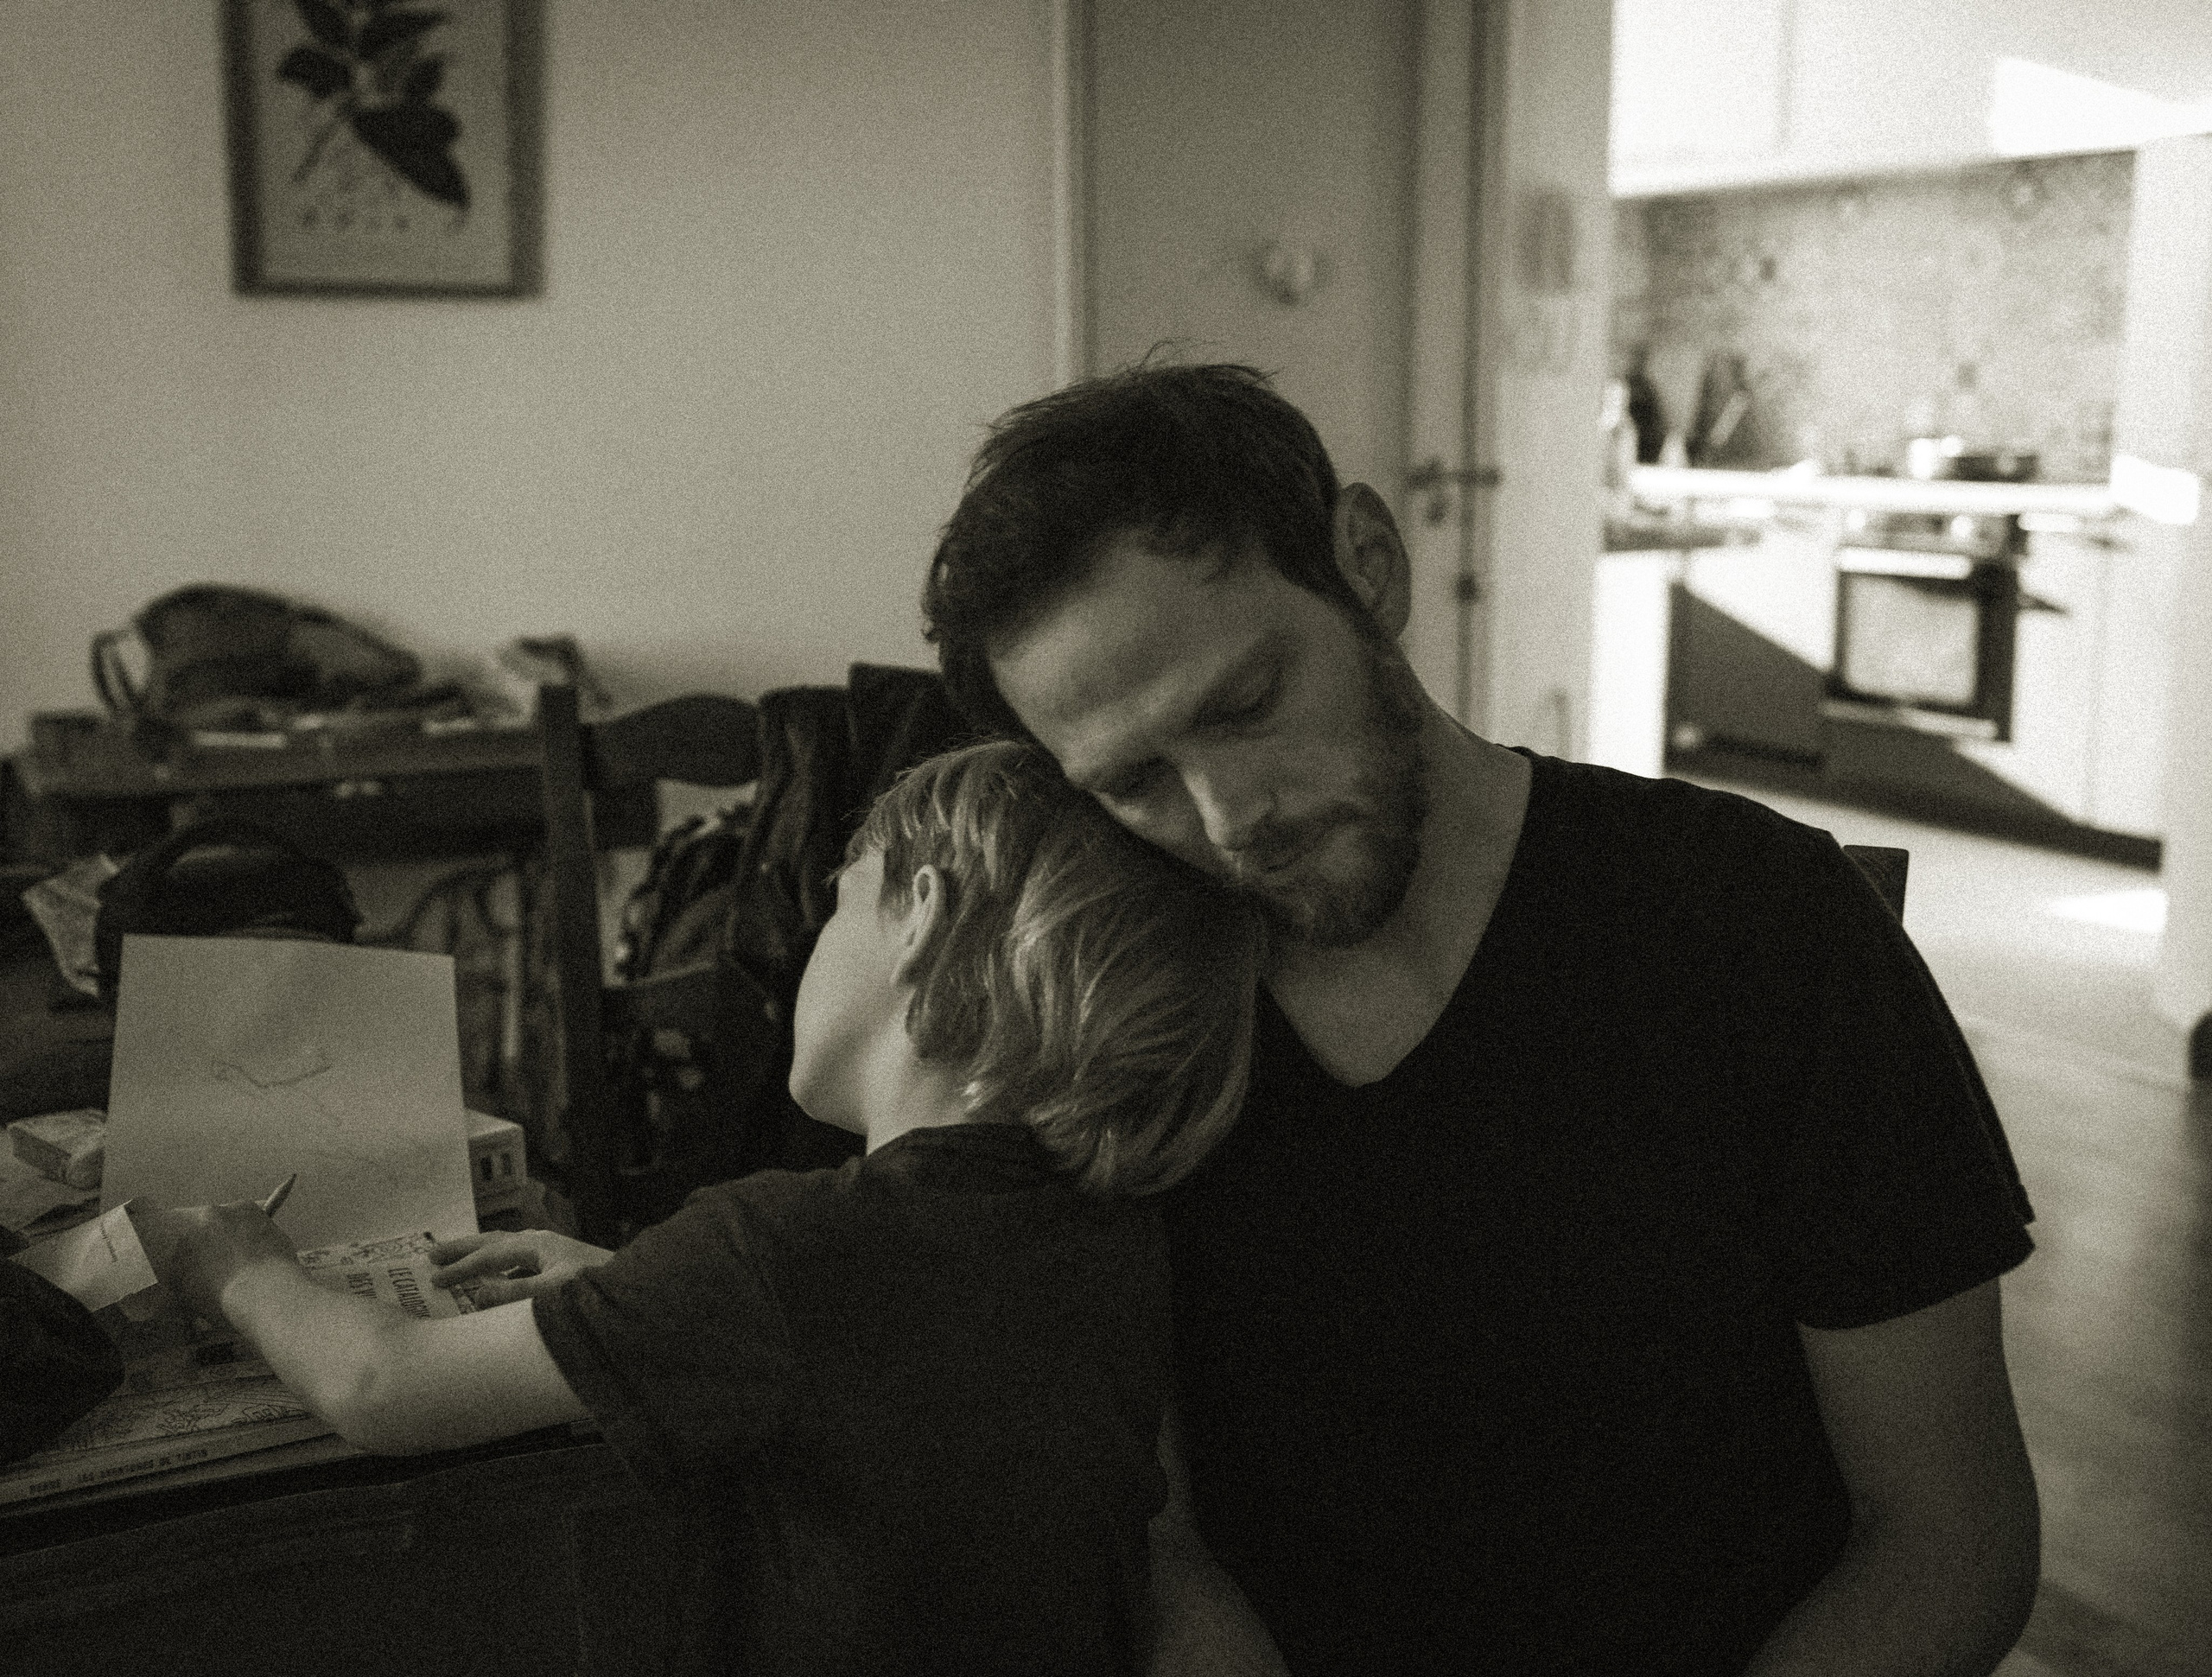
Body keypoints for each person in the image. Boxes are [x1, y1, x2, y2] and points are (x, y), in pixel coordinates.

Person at [921, 362, 2044, 1676]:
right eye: (1135, 784)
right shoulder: (1127, 1026)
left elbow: (1949, 1538)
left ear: (1370, 565)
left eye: (1244, 704)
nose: (1233, 819)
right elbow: (1168, 1555)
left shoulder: (1756, 926)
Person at [133, 739, 1270, 1677]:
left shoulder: (776, 1250)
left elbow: (379, 1386)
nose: (810, 946)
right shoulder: (1113, 1235)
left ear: (920, 914)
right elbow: (1135, 1528)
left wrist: (236, 1264)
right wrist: (625, 1289)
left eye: (835, 908)